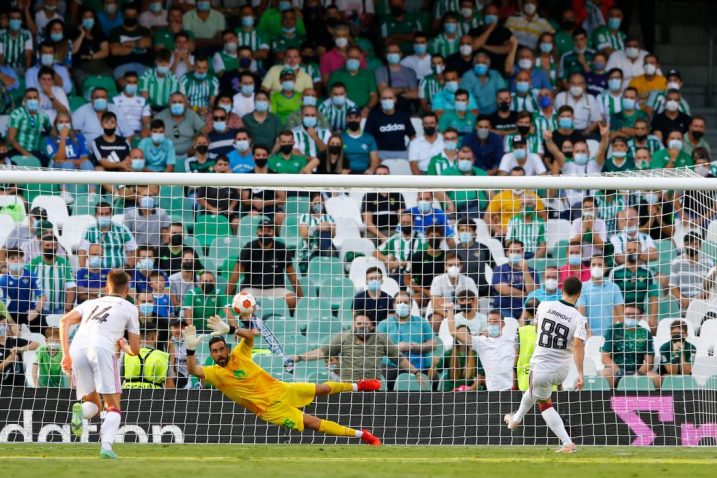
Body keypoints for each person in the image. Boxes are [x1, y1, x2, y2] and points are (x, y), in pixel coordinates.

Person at [187, 311, 382, 445]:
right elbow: (194, 370)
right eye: (215, 351)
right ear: (211, 355)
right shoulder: (215, 373)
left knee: (322, 388)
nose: (220, 353)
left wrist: (230, 329)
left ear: (226, 349)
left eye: (222, 349)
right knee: (313, 423)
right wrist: (190, 349)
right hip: (269, 409)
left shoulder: (239, 355)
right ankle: (363, 435)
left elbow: (250, 336)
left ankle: (359, 385)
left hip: (281, 389)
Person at [59, 269, 141, 459]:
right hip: (103, 349)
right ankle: (106, 447)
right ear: (127, 289)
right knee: (112, 405)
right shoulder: (129, 307)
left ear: (106, 287)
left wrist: (66, 355)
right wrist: (125, 344)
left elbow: (64, 321)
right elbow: (135, 350)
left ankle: (80, 410)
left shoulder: (90, 303)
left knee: (94, 405)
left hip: (78, 349)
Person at [503, 277, 586, 454]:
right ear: (579, 294)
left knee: (544, 404)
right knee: (535, 393)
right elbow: (578, 346)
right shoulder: (579, 318)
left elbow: (536, 330)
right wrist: (580, 374)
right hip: (561, 370)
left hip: (541, 367)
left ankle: (567, 442)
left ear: (561, 289)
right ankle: (515, 419)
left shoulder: (544, 306)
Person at [227, 218, 302, 310]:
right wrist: (227, 296)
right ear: (257, 232)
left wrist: (301, 297)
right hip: (252, 289)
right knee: (243, 300)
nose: (265, 233)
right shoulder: (249, 248)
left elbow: (292, 275)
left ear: (273, 232)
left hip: (276, 289)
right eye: (262, 230)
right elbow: (236, 274)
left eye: (268, 230)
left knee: (291, 300)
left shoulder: (281, 248)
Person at [377, 291, 437, 381]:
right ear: (393, 305)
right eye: (399, 302)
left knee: (435, 379)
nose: (402, 305)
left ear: (411, 305)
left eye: (406, 302)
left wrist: (417, 347)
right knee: (386, 378)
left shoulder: (421, 322)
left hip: (418, 364)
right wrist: (396, 349)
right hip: (392, 365)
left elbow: (433, 343)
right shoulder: (384, 324)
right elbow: (376, 347)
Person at [601, 304, 660, 389]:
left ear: (640, 317)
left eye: (634, 315)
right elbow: (605, 358)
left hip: (638, 370)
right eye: (628, 314)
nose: (631, 317)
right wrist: (619, 371)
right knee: (606, 375)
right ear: (623, 315)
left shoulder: (645, 333)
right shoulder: (612, 331)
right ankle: (609, 401)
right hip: (615, 370)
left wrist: (639, 373)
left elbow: (649, 361)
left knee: (656, 379)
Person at [609, 240, 660, 331]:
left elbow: (653, 297)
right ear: (624, 252)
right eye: (629, 250)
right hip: (621, 314)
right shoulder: (615, 272)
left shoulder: (647, 272)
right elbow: (610, 297)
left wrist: (653, 318)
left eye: (635, 250)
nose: (632, 252)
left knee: (652, 330)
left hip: (641, 315)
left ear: (640, 253)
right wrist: (617, 318)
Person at [29, 231, 76, 316]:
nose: (51, 248)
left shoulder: (64, 263)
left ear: (57, 247)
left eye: (53, 245)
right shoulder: (33, 263)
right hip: (38, 310)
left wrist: (67, 310)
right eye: (47, 245)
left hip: (60, 310)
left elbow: (71, 288)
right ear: (41, 247)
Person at [0, 248, 47, 332]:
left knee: (45, 333)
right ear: (7, 261)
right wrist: (11, 322)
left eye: (18, 258)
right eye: (12, 258)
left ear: (23, 259)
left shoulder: (31, 276)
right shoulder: (3, 280)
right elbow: (1, 304)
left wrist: (36, 311)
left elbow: (43, 297)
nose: (16, 261)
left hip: (30, 311)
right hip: (12, 314)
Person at [364, 87, 416, 162]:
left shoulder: (403, 115)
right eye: (384, 98)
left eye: (390, 98)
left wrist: (411, 153)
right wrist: (374, 155)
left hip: (401, 152)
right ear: (380, 100)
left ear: (395, 99)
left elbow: (412, 136)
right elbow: (368, 137)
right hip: (380, 153)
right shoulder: (373, 116)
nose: (387, 100)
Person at [577, 255, 624, 337]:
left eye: (600, 265)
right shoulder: (582, 287)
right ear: (590, 268)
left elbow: (620, 315)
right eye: (594, 265)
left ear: (605, 268)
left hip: (610, 336)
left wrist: (619, 334)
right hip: (589, 336)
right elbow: (581, 316)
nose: (596, 267)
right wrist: (589, 334)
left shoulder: (614, 287)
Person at [492, 240, 539, 319]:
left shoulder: (532, 271)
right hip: (504, 308)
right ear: (507, 253)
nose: (515, 254)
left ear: (523, 253)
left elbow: (533, 293)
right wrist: (526, 294)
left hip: (527, 309)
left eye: (518, 251)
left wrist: (525, 270)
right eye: (512, 251)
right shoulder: (500, 269)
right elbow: (504, 290)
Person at [669, 232, 712, 311]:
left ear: (700, 245)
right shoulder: (676, 262)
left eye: (695, 244)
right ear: (684, 245)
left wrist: (697, 299)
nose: (691, 247)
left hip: (703, 301)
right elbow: (673, 286)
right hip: (684, 303)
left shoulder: (708, 262)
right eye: (688, 243)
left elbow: (710, 287)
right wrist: (682, 299)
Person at [6, 89, 52, 161]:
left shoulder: (43, 116)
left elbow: (51, 131)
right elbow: (10, 139)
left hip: (36, 152)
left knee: (47, 163)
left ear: (39, 99)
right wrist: (26, 154)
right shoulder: (16, 114)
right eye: (29, 98)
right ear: (24, 100)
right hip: (17, 151)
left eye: (35, 98)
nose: (32, 100)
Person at [122, 325, 170, 389]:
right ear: (154, 337)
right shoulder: (163, 356)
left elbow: (118, 379)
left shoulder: (126, 354)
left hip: (129, 393)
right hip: (155, 395)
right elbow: (170, 385)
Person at [454, 218, 493, 297]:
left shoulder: (483, 248)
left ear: (475, 233)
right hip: (461, 291)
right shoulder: (453, 251)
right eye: (462, 230)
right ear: (458, 233)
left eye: (468, 230)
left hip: (482, 289)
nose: (464, 233)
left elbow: (494, 267)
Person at [1, 312, 40, 387]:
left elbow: (36, 344)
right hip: (3, 386)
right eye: (0, 325)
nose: (2, 327)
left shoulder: (14, 341)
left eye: (4, 324)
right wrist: (8, 360)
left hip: (20, 385)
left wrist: (21, 349)